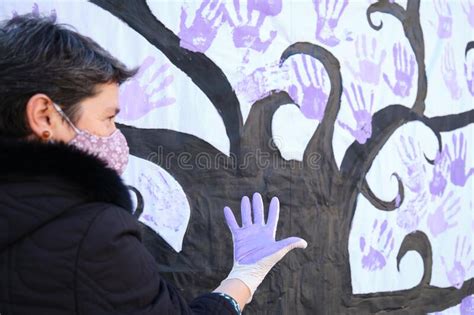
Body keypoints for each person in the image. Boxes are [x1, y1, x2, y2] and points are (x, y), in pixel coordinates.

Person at [0, 13, 307, 315]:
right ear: (44, 116)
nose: (116, 135)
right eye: (108, 118)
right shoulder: (96, 234)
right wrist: (245, 279)